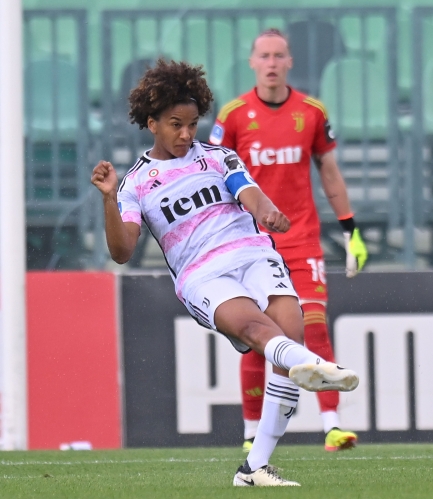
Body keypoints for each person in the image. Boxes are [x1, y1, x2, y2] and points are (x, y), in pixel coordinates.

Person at [90, 59, 358, 487]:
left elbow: (245, 190)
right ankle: (317, 366)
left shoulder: (218, 157)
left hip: (253, 254)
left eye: (192, 124)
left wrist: (265, 208)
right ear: (151, 122)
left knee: (288, 331)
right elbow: (122, 250)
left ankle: (255, 469)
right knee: (258, 330)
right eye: (175, 124)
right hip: (203, 275)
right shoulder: (137, 184)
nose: (185, 134)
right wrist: (107, 199)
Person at [210, 28, 368, 453]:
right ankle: (249, 433)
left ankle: (332, 426)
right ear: (253, 62)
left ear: (290, 61)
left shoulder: (312, 112)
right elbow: (213, 176)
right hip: (251, 246)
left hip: (301, 241)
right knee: (257, 337)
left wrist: (350, 230)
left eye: (279, 55)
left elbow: (329, 173)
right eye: (265, 55)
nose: (273, 63)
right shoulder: (234, 116)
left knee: (313, 325)